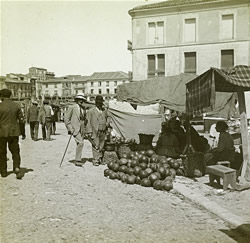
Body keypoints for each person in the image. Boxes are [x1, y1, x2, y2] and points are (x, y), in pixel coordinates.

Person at [0, 89, 25, 179]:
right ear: (10, 96)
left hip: (2, 133)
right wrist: (23, 133)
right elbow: (22, 121)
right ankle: (16, 167)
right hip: (14, 132)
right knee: (15, 151)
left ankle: (3, 171)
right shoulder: (16, 106)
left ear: (2, 96)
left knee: (2, 152)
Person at [86, 95, 110, 166]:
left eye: (101, 103)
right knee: (95, 144)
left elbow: (108, 117)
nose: (99, 104)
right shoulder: (91, 111)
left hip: (103, 130)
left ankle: (99, 158)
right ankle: (95, 159)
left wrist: (107, 123)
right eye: (98, 103)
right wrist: (89, 131)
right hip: (95, 130)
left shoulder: (104, 111)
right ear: (96, 103)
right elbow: (88, 122)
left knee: (102, 144)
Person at [64, 93, 88, 166]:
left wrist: (85, 127)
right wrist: (70, 128)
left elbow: (85, 118)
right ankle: (77, 160)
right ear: (76, 100)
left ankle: (78, 158)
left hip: (82, 129)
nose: (81, 101)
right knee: (81, 143)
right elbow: (66, 119)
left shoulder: (84, 108)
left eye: (82, 100)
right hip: (75, 129)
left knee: (79, 143)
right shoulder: (72, 107)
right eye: (79, 99)